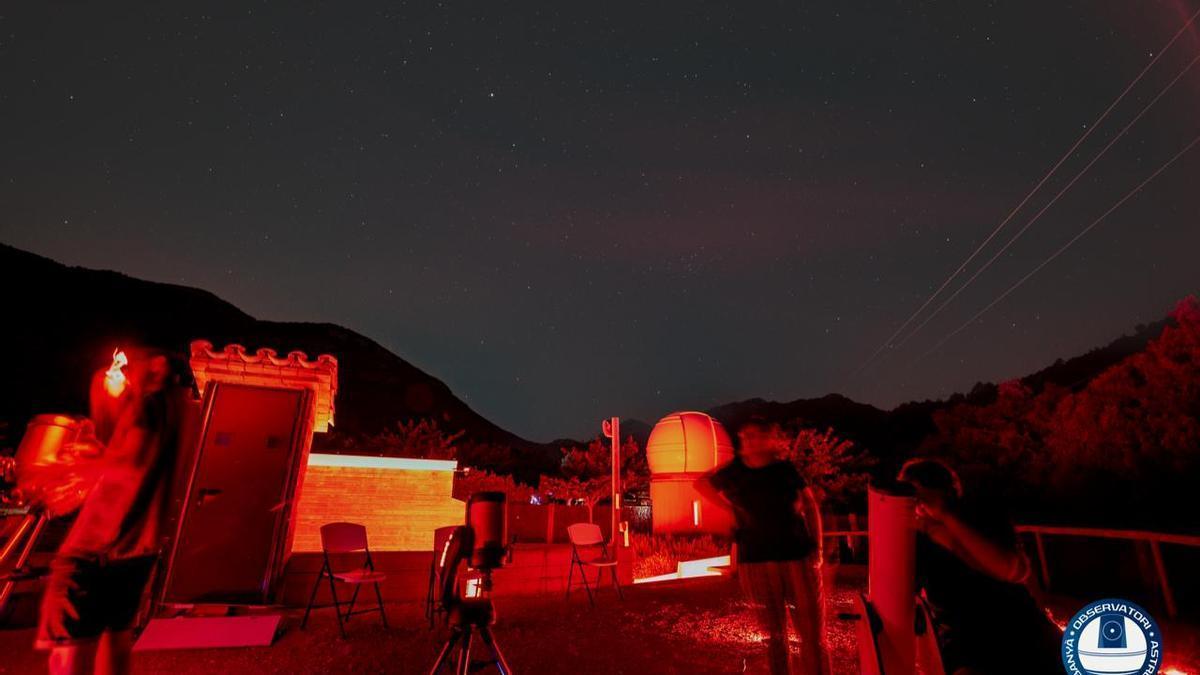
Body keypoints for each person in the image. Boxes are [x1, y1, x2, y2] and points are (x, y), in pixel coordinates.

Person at [36, 348, 187, 675]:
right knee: (115, 643)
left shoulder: (146, 411)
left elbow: (123, 466)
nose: (118, 375)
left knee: (69, 655)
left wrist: (73, 466)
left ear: (156, 370)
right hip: (136, 552)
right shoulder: (174, 413)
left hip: (94, 551)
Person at [898, 458, 1062, 675]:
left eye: (919, 495)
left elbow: (1011, 569)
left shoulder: (981, 515)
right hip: (967, 647)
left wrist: (943, 518)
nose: (916, 505)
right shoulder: (918, 541)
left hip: (1023, 632)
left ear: (945, 492)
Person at [696, 419, 831, 675]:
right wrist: (729, 508)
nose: (750, 440)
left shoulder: (784, 469)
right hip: (755, 560)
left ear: (770, 439)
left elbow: (810, 505)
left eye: (758, 435)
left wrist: (819, 548)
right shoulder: (734, 471)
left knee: (811, 634)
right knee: (773, 637)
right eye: (746, 436)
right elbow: (701, 483)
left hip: (796, 556)